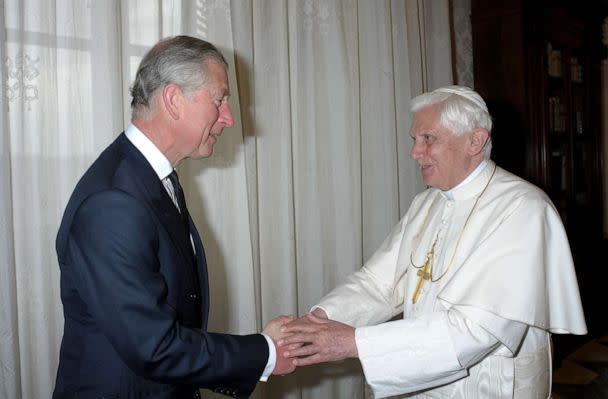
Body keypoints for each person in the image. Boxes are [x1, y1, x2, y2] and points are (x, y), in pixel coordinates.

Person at [281, 86, 587, 398]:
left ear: (475, 141)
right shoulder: (426, 204)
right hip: (423, 382)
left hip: (489, 385)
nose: (415, 152)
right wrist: (318, 321)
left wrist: (353, 342)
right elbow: (378, 282)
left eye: (428, 139)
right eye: (415, 140)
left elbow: (475, 331)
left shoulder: (523, 209)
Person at [54, 35, 293, 399]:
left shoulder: (149, 177)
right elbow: (156, 348)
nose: (228, 118)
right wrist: (266, 352)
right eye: (220, 99)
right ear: (173, 100)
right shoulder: (113, 201)